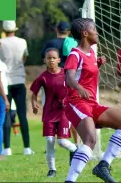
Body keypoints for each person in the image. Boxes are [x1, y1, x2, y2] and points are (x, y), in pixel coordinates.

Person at [64, 18, 121, 183]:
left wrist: (98, 64)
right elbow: (69, 77)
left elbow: (85, 74)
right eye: (94, 29)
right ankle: (70, 180)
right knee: (90, 139)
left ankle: (103, 166)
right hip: (76, 102)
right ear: (85, 33)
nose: (97, 32)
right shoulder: (75, 54)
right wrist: (79, 88)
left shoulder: (92, 53)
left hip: (91, 103)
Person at [30, 48, 77, 178]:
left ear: (58, 60)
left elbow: (74, 88)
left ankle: (74, 149)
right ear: (45, 60)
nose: (51, 60)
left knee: (62, 142)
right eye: (48, 58)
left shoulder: (66, 74)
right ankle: (52, 170)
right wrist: (34, 104)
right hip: (49, 113)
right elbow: (33, 93)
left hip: (63, 112)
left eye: (53, 58)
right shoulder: (43, 77)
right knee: (50, 141)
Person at [0, 20, 33, 155]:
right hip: (19, 79)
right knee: (22, 115)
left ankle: (7, 148)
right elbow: (24, 58)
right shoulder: (22, 42)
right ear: (15, 29)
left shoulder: (0, 43)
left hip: (5, 81)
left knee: (6, 115)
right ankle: (27, 148)